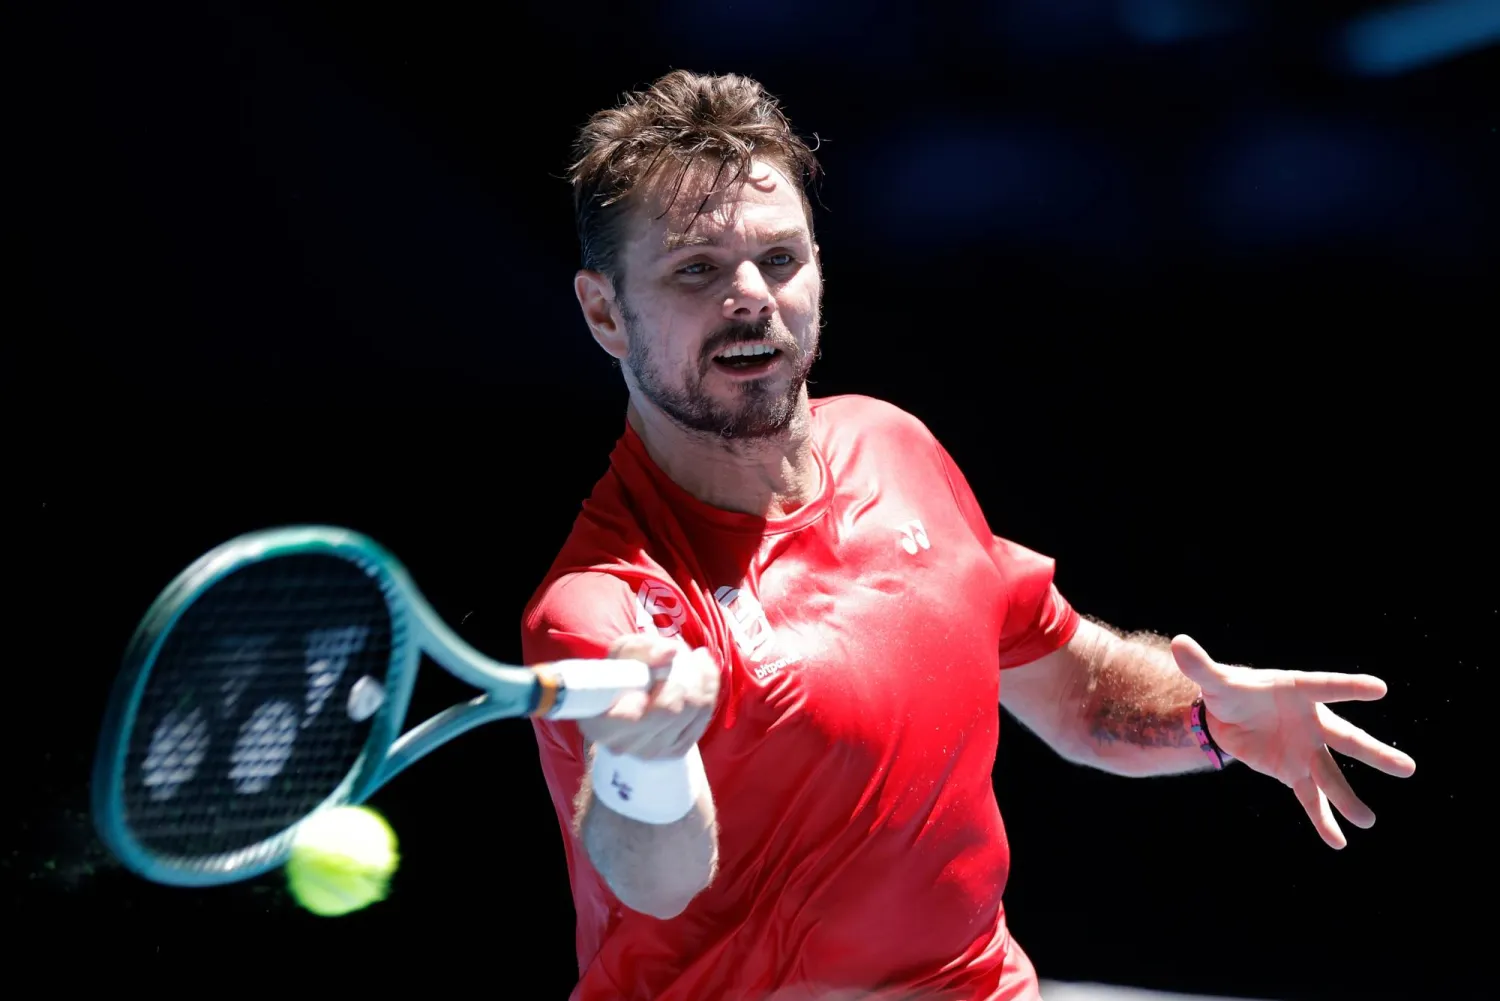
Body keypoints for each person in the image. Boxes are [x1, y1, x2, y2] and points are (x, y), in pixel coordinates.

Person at [519, 70, 1417, 1001]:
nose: (750, 296)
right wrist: (648, 761)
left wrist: (1205, 721)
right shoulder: (605, 609)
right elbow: (656, 885)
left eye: (780, 259)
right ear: (603, 312)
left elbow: (1072, 689)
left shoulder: (892, 445)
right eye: (695, 270)